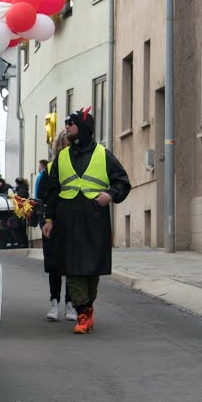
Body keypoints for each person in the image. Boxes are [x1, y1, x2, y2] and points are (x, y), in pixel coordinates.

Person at [39, 107, 130, 334]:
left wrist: (110, 195)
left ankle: (87, 308)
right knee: (72, 268)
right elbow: (52, 191)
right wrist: (48, 219)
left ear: (84, 127)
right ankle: (81, 315)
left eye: (72, 122)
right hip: (67, 220)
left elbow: (123, 182)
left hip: (94, 219)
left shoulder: (103, 154)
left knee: (92, 269)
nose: (67, 126)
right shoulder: (61, 157)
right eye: (67, 122)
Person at [39, 130, 74, 322]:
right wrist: (46, 220)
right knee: (54, 265)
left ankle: (70, 304)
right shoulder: (50, 169)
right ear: (59, 146)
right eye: (65, 143)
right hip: (53, 223)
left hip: (72, 222)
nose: (68, 146)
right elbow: (42, 198)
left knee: (71, 265)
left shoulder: (79, 167)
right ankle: (54, 303)